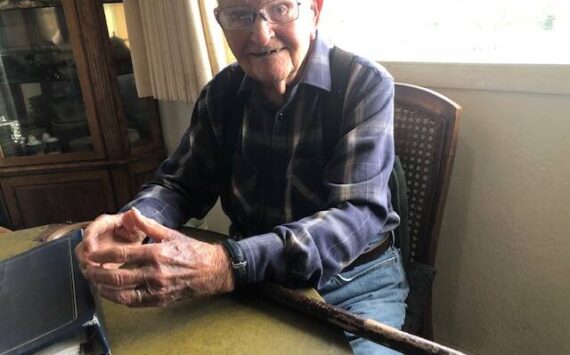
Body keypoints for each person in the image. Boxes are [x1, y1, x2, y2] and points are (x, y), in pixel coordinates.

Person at [76, 0, 409, 353]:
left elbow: (356, 213)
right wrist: (132, 223)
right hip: (254, 283)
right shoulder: (221, 93)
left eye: (280, 8)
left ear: (314, 11)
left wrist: (228, 264)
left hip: (354, 283)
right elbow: (179, 184)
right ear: (222, 23)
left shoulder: (364, 84)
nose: (261, 34)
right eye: (240, 15)